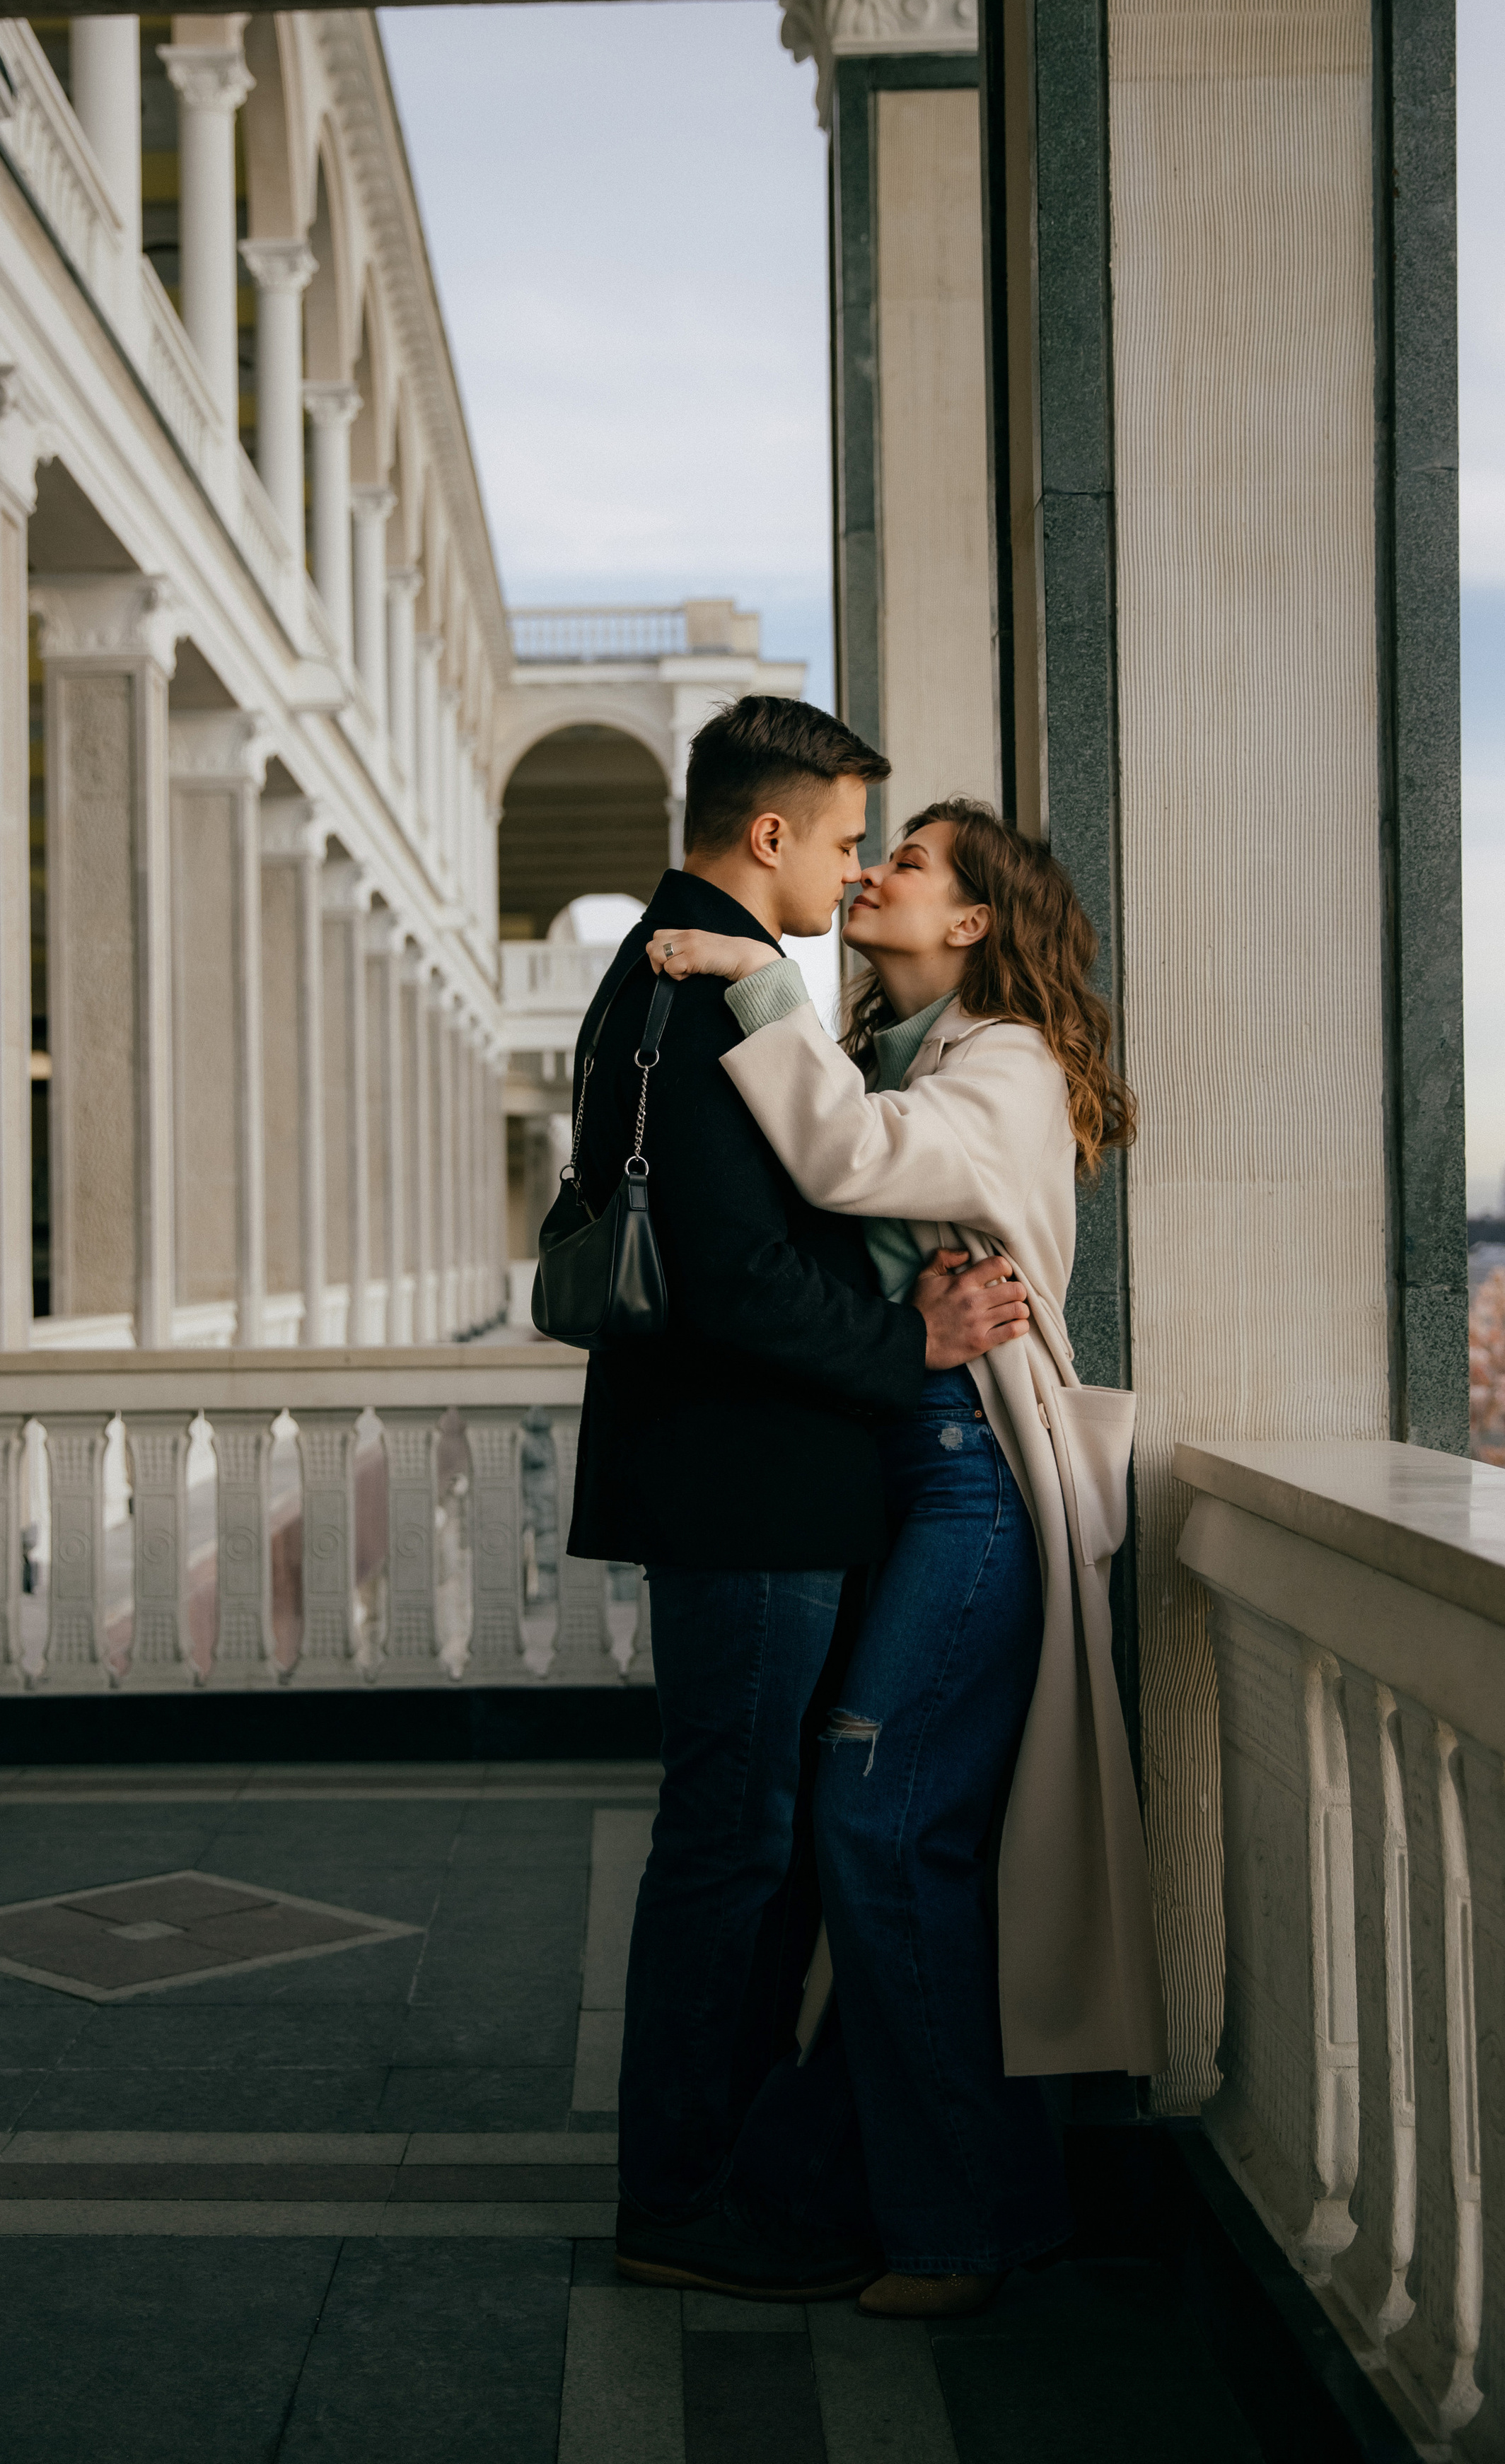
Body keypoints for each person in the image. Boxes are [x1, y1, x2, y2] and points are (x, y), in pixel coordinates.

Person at [649, 797, 1166, 2318]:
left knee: (880, 1830)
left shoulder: (1000, 1062)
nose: (873, 871)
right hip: (889, 1479)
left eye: (913, 861)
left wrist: (751, 978)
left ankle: (960, 2227)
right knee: (876, 1842)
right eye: (875, 851)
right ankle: (924, 2200)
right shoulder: (897, 1048)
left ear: (972, 923)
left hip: (969, 1487)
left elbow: (850, 1164)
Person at [560, 700, 1032, 2304]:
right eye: (842, 842)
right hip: (746, 1486)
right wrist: (905, 1337)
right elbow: (737, 1281)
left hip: (755, 1480)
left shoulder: (694, 973)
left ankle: (733, 2172)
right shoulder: (687, 985)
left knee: (759, 1843)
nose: (846, 876)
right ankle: (684, 2197)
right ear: (768, 834)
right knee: (731, 1846)